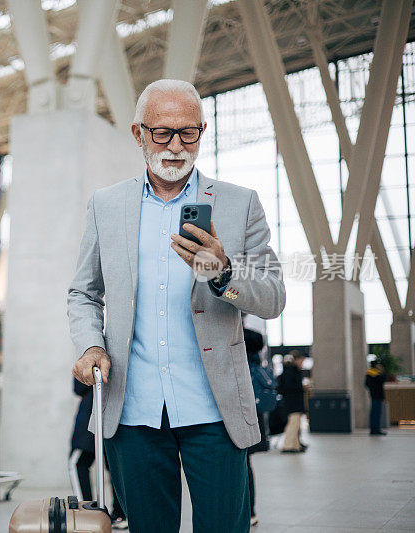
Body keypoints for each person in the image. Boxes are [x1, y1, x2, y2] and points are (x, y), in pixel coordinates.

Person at [67, 79, 285, 533]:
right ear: (138, 134)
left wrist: (224, 272)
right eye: (162, 132)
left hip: (216, 408)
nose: (175, 146)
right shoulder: (106, 206)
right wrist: (90, 345)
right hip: (133, 409)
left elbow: (273, 296)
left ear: (202, 132)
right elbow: (84, 292)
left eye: (188, 133)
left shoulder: (239, 204)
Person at [69, 379, 128, 529]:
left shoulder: (91, 355)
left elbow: (79, 387)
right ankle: (121, 514)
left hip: (94, 409)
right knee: (115, 463)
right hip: (117, 409)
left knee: (78, 463)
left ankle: (87, 515)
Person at [244, 328, 275, 527]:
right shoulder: (254, 341)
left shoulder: (239, 335)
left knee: (241, 465)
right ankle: (251, 510)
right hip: (254, 414)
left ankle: (247, 510)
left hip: (240, 411)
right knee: (246, 465)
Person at [277, 351, 306, 453]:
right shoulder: (291, 371)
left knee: (296, 424)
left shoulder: (291, 370)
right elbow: (290, 387)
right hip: (293, 402)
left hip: (293, 402)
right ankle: (288, 445)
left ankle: (295, 445)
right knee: (293, 424)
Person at [365, 359, 387, 436]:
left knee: (374, 413)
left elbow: (367, 384)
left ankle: (374, 429)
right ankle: (375, 429)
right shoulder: (376, 374)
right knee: (376, 413)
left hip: (374, 396)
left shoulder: (369, 373)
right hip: (377, 396)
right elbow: (383, 380)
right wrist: (382, 371)